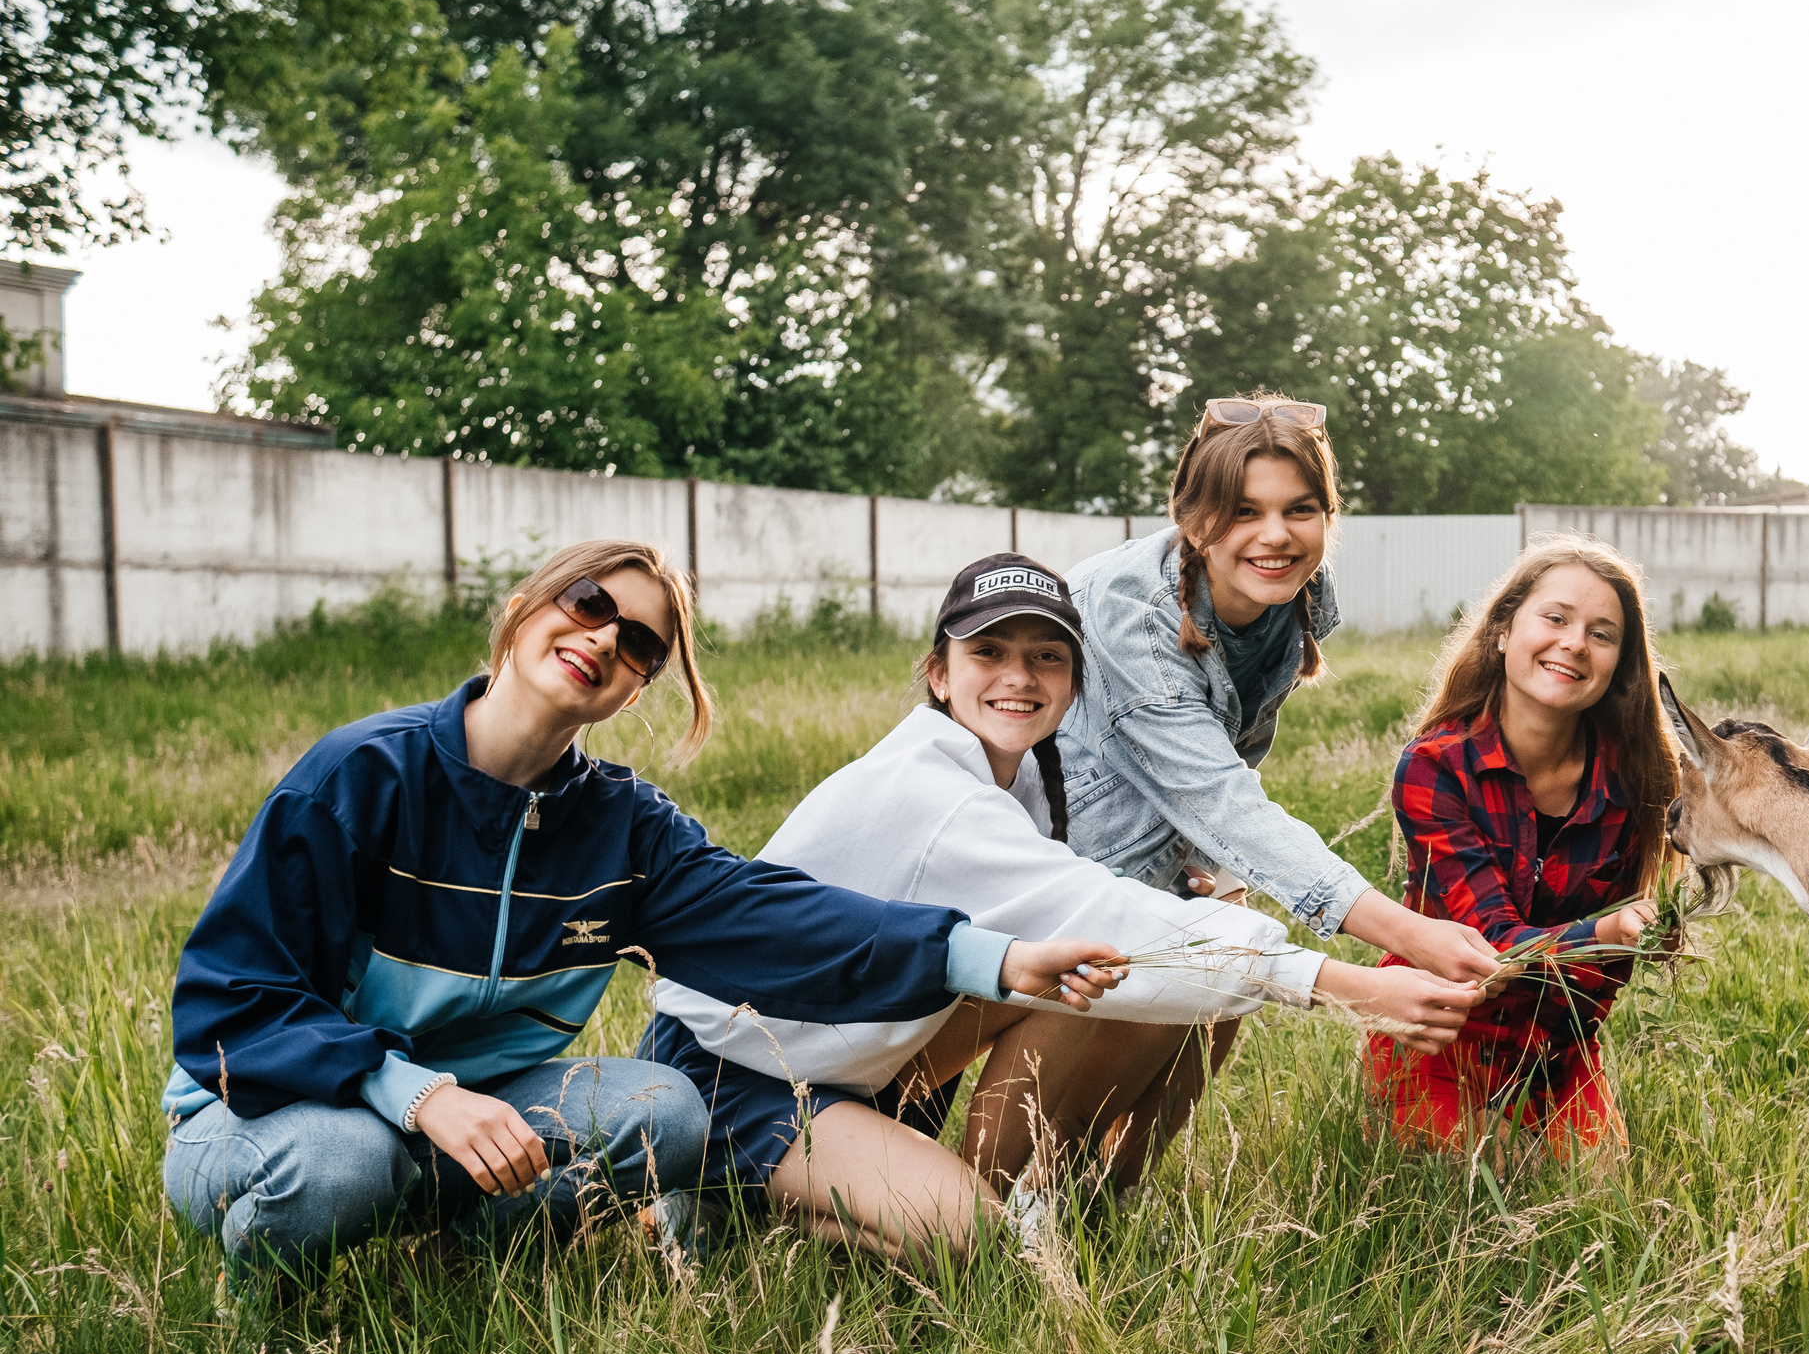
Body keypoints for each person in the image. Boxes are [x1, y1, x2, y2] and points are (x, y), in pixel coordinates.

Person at [161, 539, 1117, 1307]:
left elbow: (774, 920)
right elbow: (231, 1004)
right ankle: (262, 1310)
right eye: (587, 604)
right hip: (273, 1110)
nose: (604, 639)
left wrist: (990, 957)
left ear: (637, 687)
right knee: (348, 1161)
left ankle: (465, 1259)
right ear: (522, 612)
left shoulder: (622, 825)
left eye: (639, 645)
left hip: (475, 1108)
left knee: (666, 1108)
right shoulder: (362, 775)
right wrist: (417, 1094)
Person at [644, 554, 1482, 1258]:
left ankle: (1057, 1197)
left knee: (1107, 971)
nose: (1019, 676)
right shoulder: (933, 790)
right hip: (733, 1069)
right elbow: (1100, 909)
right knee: (967, 1238)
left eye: (1047, 656)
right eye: (988, 651)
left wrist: (1205, 899)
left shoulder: (1014, 778)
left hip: (838, 1051)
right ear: (939, 673)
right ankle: (732, 1197)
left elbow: (1092, 916)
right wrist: (1352, 985)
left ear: (1074, 684)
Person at [998, 395, 1508, 1174]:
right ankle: (1032, 1195)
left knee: (1221, 993)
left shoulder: (1286, 593)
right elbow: (1219, 797)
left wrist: (1215, 865)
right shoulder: (1133, 613)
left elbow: (1226, 754)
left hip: (1159, 837)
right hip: (1055, 861)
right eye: (1243, 510)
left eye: (1300, 509)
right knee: (1131, 1021)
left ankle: (1113, 1194)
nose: (1276, 534)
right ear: (1192, 514)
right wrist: (1407, 933)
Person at [1362, 535, 1682, 1164]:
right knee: (1475, 1180)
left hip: (1555, 1043)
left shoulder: (1637, 778)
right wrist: (1608, 932)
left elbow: (1606, 979)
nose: (1574, 643)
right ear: (1504, 631)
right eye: (1556, 618)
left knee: (1592, 1190)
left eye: (1601, 634)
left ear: (1619, 664)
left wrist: (1641, 936)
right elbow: (1485, 949)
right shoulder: (1436, 767)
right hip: (1439, 1026)